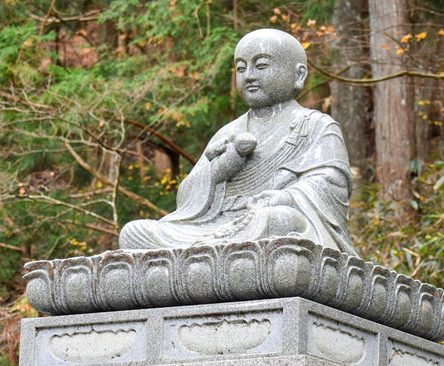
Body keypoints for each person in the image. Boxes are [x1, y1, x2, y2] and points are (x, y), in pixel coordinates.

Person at [119, 28, 357, 255]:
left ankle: (215, 255)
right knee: (134, 232)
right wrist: (218, 171)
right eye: (241, 69)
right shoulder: (229, 132)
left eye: (261, 66)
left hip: (264, 224)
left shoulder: (315, 125)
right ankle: (215, 254)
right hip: (216, 227)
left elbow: (331, 183)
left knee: (279, 222)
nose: (249, 76)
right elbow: (186, 199)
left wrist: (285, 198)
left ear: (299, 75)